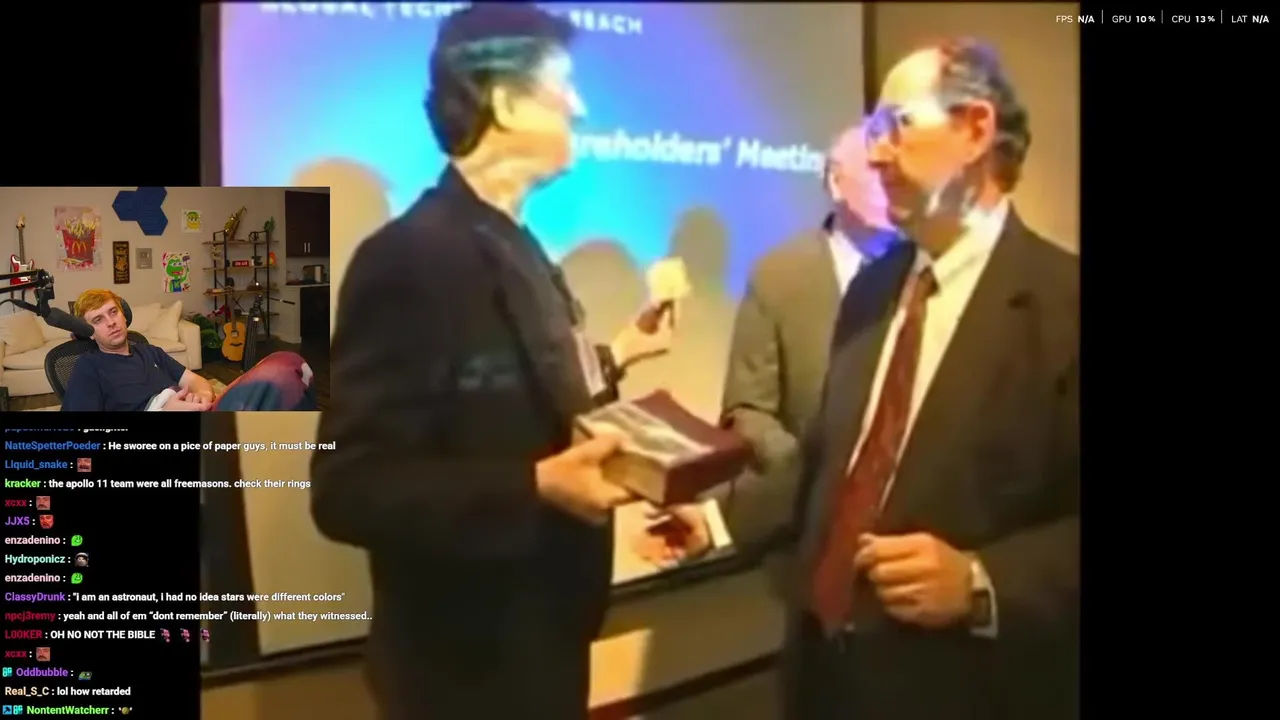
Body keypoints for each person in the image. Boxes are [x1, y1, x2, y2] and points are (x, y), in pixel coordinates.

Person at [310, 6, 671, 719]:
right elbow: (348, 488)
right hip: (463, 679)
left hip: (545, 649)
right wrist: (534, 487)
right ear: (504, 101)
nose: (580, 106)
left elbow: (524, 387)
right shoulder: (407, 259)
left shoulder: (521, 245)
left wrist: (623, 364)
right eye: (564, 85)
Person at [780, 39, 1078, 720]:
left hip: (964, 690)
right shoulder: (872, 289)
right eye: (871, 132)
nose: (876, 153)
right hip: (822, 681)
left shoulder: (1064, 308)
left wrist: (982, 581)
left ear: (975, 130)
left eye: (897, 125)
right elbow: (832, 467)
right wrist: (709, 512)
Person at [713, 122, 900, 552]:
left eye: (894, 169)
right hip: (807, 526)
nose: (890, 183)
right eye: (875, 171)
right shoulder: (779, 274)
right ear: (836, 183)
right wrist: (805, 468)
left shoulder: (922, 269)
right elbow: (747, 407)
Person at [62, 289, 215, 411]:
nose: (111, 322)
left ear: (124, 316)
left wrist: (202, 395)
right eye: (98, 320)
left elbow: (194, 380)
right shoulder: (88, 367)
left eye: (113, 312)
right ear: (89, 333)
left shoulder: (151, 352)